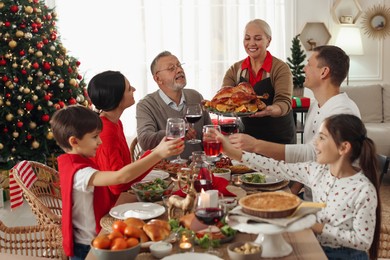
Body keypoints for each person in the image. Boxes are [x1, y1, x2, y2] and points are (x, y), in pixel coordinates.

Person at [216, 114, 381, 260]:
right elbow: (275, 167)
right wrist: (232, 152)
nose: (315, 143)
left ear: (343, 147)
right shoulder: (316, 170)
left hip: (347, 256)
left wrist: (316, 226)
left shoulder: (363, 190)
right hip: (316, 246)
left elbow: (362, 241)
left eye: (322, 138)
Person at [50, 105, 184, 259]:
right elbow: (120, 177)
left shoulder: (74, 162)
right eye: (94, 137)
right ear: (74, 141)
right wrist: (158, 154)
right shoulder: (80, 173)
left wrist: (156, 151)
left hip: (96, 236)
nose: (100, 142)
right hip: (89, 246)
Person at [228, 45, 361, 200]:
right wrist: (292, 191)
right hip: (311, 196)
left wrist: (256, 145)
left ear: (324, 72)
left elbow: (312, 153)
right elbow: (307, 163)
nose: (304, 69)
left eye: (309, 65)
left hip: (332, 205)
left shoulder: (342, 111)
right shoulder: (316, 105)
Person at [222, 19, 296, 144]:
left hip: (278, 139)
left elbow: (284, 102)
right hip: (247, 138)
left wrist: (270, 110)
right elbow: (225, 95)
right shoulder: (235, 70)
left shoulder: (280, 68)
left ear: (268, 41)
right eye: (247, 38)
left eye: (257, 39)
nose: (251, 43)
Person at [87, 70, 148, 211]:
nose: (134, 89)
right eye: (128, 89)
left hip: (120, 198)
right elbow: (117, 186)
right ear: (117, 98)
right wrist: (154, 155)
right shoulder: (106, 130)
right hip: (109, 207)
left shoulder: (115, 122)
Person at [136, 51, 211, 159]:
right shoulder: (146, 105)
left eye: (179, 65)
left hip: (196, 167)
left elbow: (207, 135)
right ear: (158, 79)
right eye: (171, 68)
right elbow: (145, 140)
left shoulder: (196, 96)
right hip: (164, 172)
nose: (180, 70)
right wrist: (176, 131)